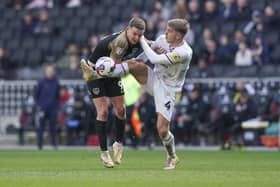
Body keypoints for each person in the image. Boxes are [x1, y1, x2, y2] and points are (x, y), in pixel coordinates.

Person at [82, 18, 192, 170]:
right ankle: (105, 71)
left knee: (162, 130)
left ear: (178, 36)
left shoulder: (184, 52)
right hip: (154, 79)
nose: (165, 32)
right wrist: (132, 63)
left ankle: (172, 156)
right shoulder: (161, 39)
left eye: (170, 31)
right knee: (133, 64)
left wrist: (142, 41)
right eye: (166, 29)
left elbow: (154, 58)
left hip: (168, 89)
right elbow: (145, 58)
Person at [80, 18, 145, 168]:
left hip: (111, 73)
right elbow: (115, 67)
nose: (136, 38)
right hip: (95, 74)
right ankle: (104, 153)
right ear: (127, 29)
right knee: (103, 112)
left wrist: (157, 47)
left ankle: (118, 144)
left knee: (121, 110)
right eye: (134, 34)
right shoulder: (120, 43)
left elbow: (147, 43)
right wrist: (132, 64)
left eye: (139, 35)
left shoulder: (137, 38)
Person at [34, 63, 60, 150]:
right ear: (45, 72)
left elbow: (57, 96)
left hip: (53, 109)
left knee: (53, 127)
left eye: (52, 71)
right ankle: (39, 145)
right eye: (49, 71)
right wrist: (38, 105)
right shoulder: (41, 82)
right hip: (42, 108)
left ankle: (54, 144)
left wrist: (57, 107)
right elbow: (36, 95)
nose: (50, 72)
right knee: (41, 127)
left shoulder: (56, 82)